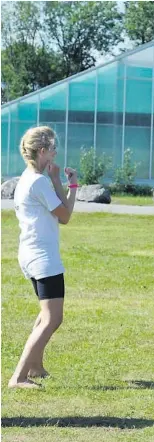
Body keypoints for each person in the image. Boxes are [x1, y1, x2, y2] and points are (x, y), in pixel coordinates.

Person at [8, 126, 78, 389]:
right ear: (41, 151)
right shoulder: (37, 181)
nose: (55, 153)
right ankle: (18, 377)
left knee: (45, 314)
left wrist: (60, 180)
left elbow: (61, 211)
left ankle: (35, 366)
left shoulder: (31, 177)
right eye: (52, 149)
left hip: (31, 254)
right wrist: (72, 185)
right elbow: (66, 216)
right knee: (52, 318)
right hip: (43, 257)